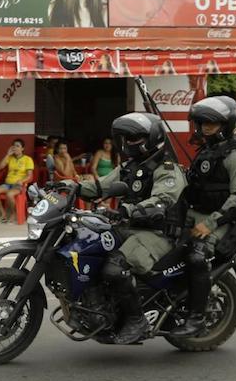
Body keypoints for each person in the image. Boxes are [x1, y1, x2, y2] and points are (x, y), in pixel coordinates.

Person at [78, 113, 187, 344]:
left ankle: (137, 320)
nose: (128, 142)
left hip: (158, 234)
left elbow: (162, 199)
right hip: (131, 228)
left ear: (153, 138)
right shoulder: (129, 167)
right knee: (90, 250)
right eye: (126, 137)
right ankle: (95, 307)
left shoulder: (167, 169)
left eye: (135, 137)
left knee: (115, 268)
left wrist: (128, 210)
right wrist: (69, 187)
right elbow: (100, 186)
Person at [169, 96, 236, 338]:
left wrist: (209, 224)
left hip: (223, 221)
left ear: (226, 125)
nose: (206, 127)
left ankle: (196, 318)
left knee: (196, 256)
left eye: (212, 123)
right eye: (203, 122)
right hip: (196, 213)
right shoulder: (207, 151)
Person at [0, 139, 34, 223]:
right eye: (14, 146)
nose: (15, 148)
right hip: (7, 184)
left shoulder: (28, 159)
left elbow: (30, 176)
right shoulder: (10, 158)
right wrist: (7, 154)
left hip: (19, 185)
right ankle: (3, 214)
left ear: (22, 148)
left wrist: (22, 180)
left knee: (9, 194)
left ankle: (14, 213)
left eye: (18, 146)